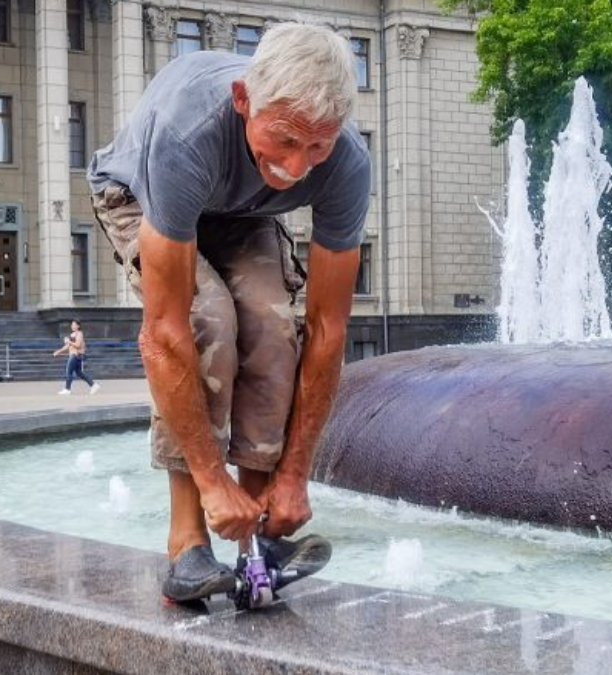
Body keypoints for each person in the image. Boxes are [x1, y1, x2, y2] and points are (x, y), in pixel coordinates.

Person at [88, 23, 370, 603]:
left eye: (316, 147)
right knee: (208, 318)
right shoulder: (187, 133)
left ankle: (263, 537)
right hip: (139, 194)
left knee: (272, 327)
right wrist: (215, 481)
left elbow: (327, 329)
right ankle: (188, 542)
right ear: (244, 101)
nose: (297, 166)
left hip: (242, 212)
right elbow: (163, 334)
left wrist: (295, 475)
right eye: (286, 139)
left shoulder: (345, 161)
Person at [52, 319, 100, 395]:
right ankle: (93, 385)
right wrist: (59, 351)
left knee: (69, 371)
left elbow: (78, 345)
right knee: (79, 373)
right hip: (74, 355)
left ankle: (67, 389)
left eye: (74, 325)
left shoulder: (79, 334)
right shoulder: (72, 334)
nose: (72, 326)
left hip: (76, 355)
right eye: (72, 325)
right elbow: (68, 346)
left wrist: (69, 341)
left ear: (78, 326)